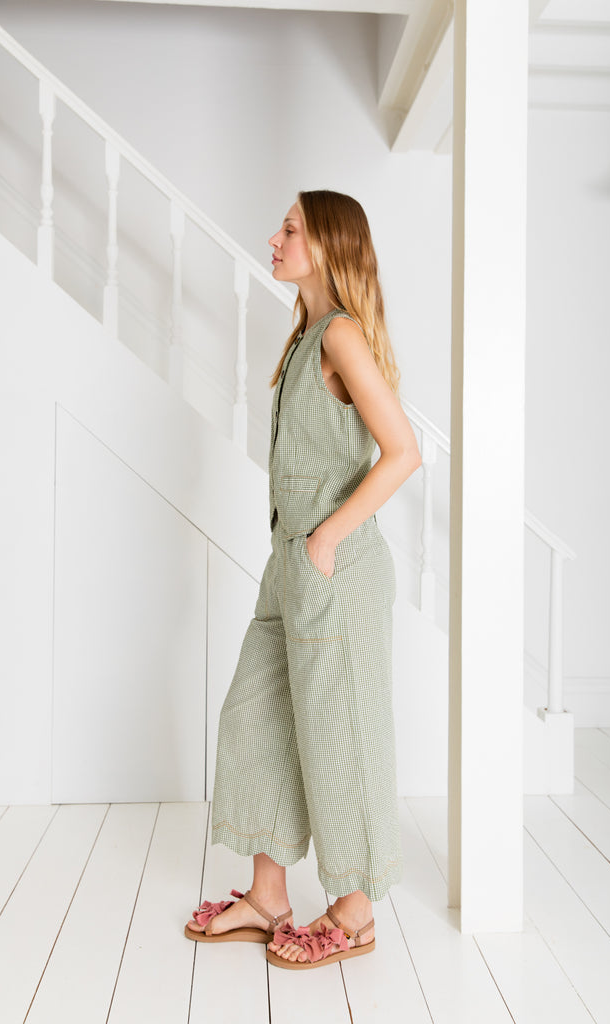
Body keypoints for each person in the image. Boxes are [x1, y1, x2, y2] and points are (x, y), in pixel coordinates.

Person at [184, 190, 421, 970]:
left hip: (333, 565)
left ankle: (352, 913)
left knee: (338, 735)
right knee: (254, 715)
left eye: (289, 228)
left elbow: (403, 452)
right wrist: (300, 548)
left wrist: (325, 538)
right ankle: (267, 898)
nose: (274, 237)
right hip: (287, 564)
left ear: (326, 244)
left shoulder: (342, 336)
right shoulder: (303, 337)